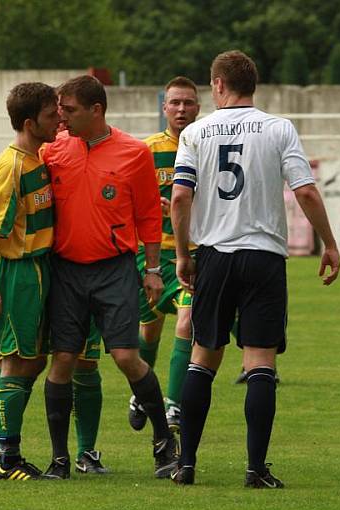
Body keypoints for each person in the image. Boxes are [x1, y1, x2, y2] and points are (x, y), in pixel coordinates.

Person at [169, 50, 340, 488]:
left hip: (214, 255)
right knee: (260, 362)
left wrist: (184, 254)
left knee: (202, 359)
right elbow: (305, 193)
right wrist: (329, 243)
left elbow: (181, 197)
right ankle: (255, 469)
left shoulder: (195, 132)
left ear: (218, 85)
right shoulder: (279, 128)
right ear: (253, 85)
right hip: (264, 256)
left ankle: (186, 465)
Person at [41, 75, 178, 480]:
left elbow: (149, 214)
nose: (61, 117)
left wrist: (152, 270)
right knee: (63, 359)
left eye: (69, 110)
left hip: (115, 268)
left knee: (125, 356)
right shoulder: (54, 149)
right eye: (59, 110)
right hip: (66, 270)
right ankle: (60, 458)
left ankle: (164, 442)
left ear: (96, 110)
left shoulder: (134, 153)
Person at [0, 82, 60, 480]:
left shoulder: (36, 157)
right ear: (29, 122)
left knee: (30, 359)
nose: (58, 118)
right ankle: (6, 457)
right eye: (50, 114)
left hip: (39, 270)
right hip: (17, 273)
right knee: (14, 361)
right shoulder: (12, 166)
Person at [128, 76, 200, 434]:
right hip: (154, 257)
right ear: (164, 108)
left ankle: (173, 405)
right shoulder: (146, 150)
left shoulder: (207, 146)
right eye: (175, 103)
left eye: (188, 102)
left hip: (193, 254)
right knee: (150, 329)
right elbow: (127, 198)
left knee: (188, 320)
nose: (182, 109)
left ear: (198, 108)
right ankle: (143, 392)